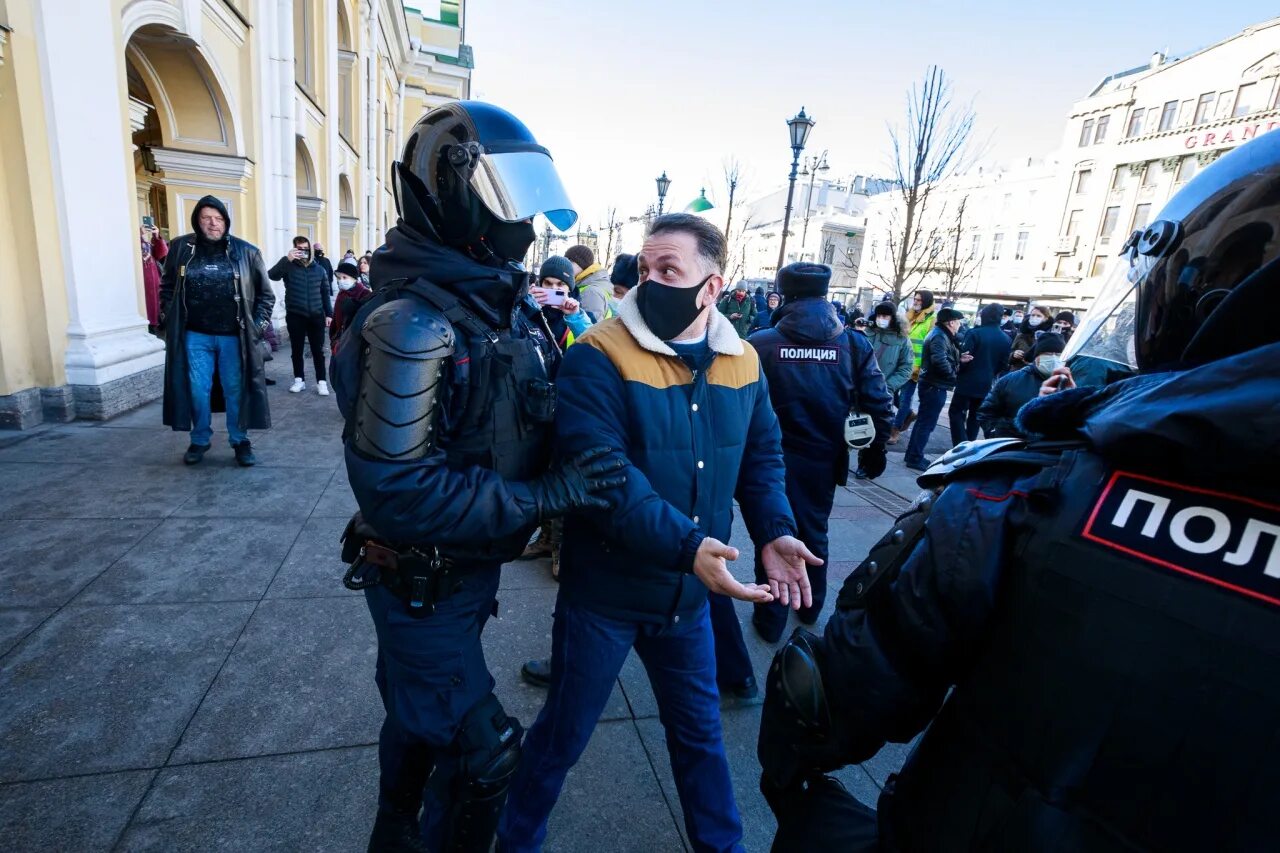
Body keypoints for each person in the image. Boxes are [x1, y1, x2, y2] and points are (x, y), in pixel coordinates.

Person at [757, 126, 1280, 853]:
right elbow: (875, 393)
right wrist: (875, 437)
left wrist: (794, 788)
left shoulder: (1033, 489)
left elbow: (835, 690)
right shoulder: (851, 345)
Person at [332, 101, 626, 853]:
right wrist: (542, 499)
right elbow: (397, 491)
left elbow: (534, 416)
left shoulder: (499, 308)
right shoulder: (413, 324)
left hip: (462, 577)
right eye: (508, 194)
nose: (524, 222)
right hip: (418, 581)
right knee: (484, 755)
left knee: (417, 718)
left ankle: (394, 827)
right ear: (453, 190)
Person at [499, 213, 820, 853]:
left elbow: (761, 460)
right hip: (607, 596)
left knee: (700, 735)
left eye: (668, 270)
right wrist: (688, 547)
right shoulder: (598, 353)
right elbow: (607, 478)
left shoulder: (744, 360)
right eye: (644, 269)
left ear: (713, 286)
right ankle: (515, 839)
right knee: (563, 733)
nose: (649, 283)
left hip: (688, 598)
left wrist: (774, 531)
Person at [745, 262, 893, 644]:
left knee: (774, 530)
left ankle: (770, 618)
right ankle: (811, 606)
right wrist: (875, 450)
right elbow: (879, 401)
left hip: (769, 458)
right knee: (815, 529)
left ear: (785, 294)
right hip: (825, 457)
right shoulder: (853, 344)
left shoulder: (761, 343)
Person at [159, 195, 274, 467]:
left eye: (218, 218)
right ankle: (200, 439)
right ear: (197, 221)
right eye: (206, 218)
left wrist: (256, 328)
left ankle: (239, 439)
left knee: (236, 390)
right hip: (194, 336)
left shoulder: (247, 252)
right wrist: (168, 313)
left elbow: (266, 297)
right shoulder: (180, 249)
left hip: (234, 338)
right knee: (198, 390)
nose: (213, 223)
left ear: (226, 221)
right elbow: (166, 287)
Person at [903, 306, 966, 471]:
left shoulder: (941, 334)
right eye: (958, 322)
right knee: (926, 423)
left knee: (923, 421)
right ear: (951, 322)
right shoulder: (939, 336)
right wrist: (952, 376)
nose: (959, 325)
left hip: (932, 384)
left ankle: (912, 454)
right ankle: (915, 457)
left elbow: (944, 356)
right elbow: (939, 360)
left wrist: (960, 359)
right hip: (934, 385)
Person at [269, 236, 333, 396]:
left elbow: (325, 292)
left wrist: (329, 314)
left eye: (305, 249)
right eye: (299, 249)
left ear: (311, 250)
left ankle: (321, 382)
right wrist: (286, 259)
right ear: (294, 249)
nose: (302, 252)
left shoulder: (319, 270)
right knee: (296, 350)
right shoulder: (288, 266)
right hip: (295, 315)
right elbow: (272, 275)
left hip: (316, 315)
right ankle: (299, 380)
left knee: (318, 350)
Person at [978, 332, 1065, 438]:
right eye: (1048, 354)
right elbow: (986, 412)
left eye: (1058, 354)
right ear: (1037, 356)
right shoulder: (1010, 380)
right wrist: (997, 432)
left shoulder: (1070, 384)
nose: (1054, 358)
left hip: (1049, 450)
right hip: (1011, 447)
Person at [949, 302, 1012, 445]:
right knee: (975, 416)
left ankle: (961, 443)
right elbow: (1003, 364)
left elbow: (965, 357)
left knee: (956, 412)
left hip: (967, 381)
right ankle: (969, 443)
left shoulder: (975, 333)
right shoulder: (1006, 338)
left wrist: (960, 371)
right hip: (986, 382)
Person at [888, 289, 937, 445]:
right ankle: (908, 414)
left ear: (926, 302)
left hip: (915, 368)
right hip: (898, 365)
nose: (915, 302)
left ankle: (895, 430)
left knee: (904, 400)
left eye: (919, 300)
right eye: (915, 299)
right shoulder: (907, 317)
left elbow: (930, 347)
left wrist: (923, 367)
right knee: (892, 396)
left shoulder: (931, 320)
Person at [328, 259, 372, 356]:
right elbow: (335, 318)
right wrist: (333, 337)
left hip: (355, 343)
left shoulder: (364, 294)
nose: (341, 281)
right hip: (339, 340)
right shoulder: (342, 294)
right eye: (339, 278)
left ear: (354, 279)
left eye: (344, 277)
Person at [564, 244, 616, 323]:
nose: (566, 265)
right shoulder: (591, 284)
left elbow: (591, 329)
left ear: (582, 264)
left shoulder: (591, 292)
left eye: (570, 261)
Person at [141, 223, 168, 335]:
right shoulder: (135, 239)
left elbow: (162, 253)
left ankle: (155, 323)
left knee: (155, 301)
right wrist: (140, 236)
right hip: (142, 276)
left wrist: (156, 237)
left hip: (153, 275)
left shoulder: (148, 241)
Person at [1009, 303, 1051, 368]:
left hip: (1039, 374)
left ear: (1045, 318)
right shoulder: (1021, 335)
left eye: (1038, 316)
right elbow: (1009, 356)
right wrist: (1014, 355)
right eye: (1033, 315)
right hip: (1018, 371)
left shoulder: (1049, 336)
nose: (1035, 318)